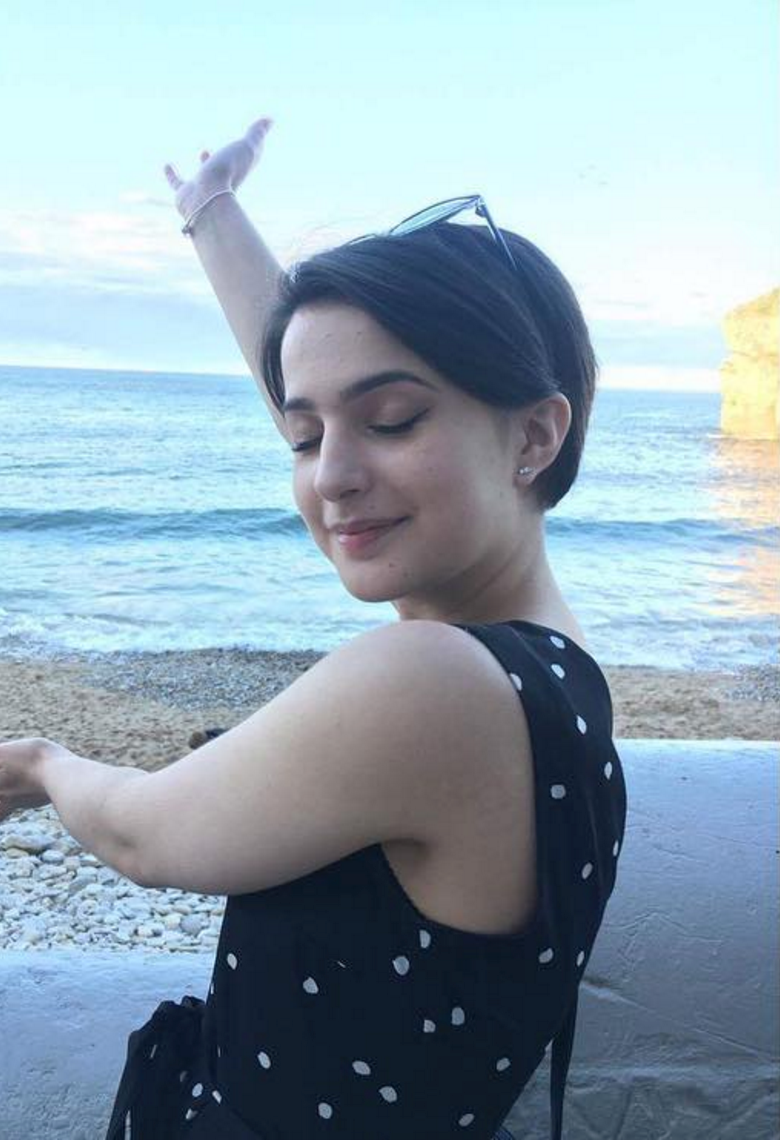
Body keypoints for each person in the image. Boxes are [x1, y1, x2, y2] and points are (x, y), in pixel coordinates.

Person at [105, 118, 628, 1140]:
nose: (330, 474)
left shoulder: (434, 678)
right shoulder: (548, 670)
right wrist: (213, 217)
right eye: (304, 435)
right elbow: (341, 416)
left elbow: (142, 831)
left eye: (390, 420)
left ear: (533, 433)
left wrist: (48, 767)